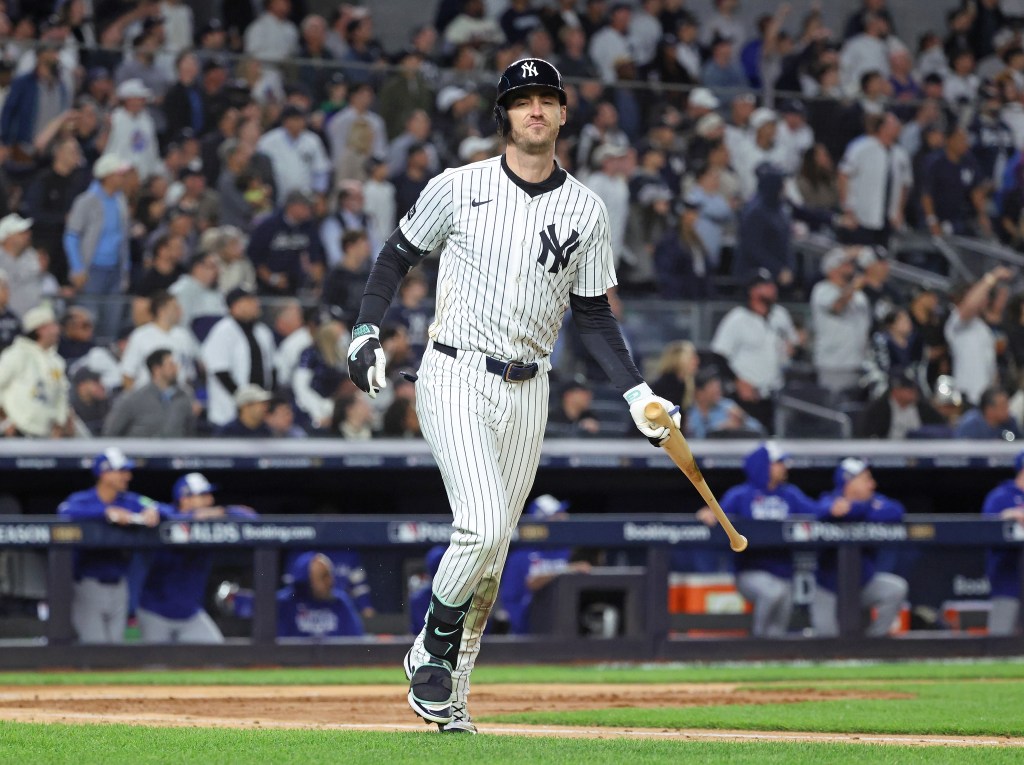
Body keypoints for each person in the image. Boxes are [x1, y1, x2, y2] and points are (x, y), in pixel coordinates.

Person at [347, 57, 680, 734]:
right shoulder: (458, 186)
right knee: (484, 524)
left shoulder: (586, 206)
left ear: (563, 114)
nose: (534, 109)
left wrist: (636, 391)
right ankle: (429, 648)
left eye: (545, 99)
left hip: (531, 386)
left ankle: (450, 699)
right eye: (521, 98)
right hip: (455, 369)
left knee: (491, 559)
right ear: (505, 113)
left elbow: (593, 315)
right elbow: (396, 254)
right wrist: (363, 329)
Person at [696, 443, 817, 637]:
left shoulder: (790, 494)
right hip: (750, 572)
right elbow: (719, 514)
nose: (784, 467)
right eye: (778, 463)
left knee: (780, 619)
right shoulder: (741, 494)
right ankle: (757, 642)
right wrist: (709, 513)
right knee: (772, 593)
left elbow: (817, 513)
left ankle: (771, 656)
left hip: (784, 572)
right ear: (764, 465)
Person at [57, 448, 171, 643]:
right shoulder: (83, 500)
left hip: (120, 585)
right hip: (88, 584)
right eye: (121, 471)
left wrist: (153, 512)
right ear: (104, 474)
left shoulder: (130, 500)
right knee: (95, 648)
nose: (128, 476)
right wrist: (106, 512)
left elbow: (162, 508)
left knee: (116, 649)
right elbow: (64, 510)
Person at [138, 473, 256, 643]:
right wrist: (192, 518)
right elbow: (157, 510)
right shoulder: (165, 513)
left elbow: (251, 518)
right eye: (202, 495)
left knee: (217, 657)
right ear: (185, 499)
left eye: (208, 495)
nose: (209, 500)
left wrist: (220, 512)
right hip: (156, 612)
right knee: (155, 668)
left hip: (190, 614)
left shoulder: (211, 519)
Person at [812, 458, 909, 638]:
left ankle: (873, 643)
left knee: (896, 588)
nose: (872, 484)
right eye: (866, 479)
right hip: (828, 588)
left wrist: (854, 509)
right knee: (826, 642)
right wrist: (835, 512)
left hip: (863, 584)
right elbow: (818, 510)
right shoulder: (829, 501)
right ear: (849, 482)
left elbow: (896, 511)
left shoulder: (874, 501)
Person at [710, 270, 798, 431]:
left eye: (772, 285)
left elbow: (793, 347)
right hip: (746, 396)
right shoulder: (737, 318)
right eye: (767, 286)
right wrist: (738, 381)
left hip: (775, 393)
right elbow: (719, 355)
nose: (773, 289)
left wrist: (793, 349)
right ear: (753, 291)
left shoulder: (780, 315)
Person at [499, 494, 591, 635]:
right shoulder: (520, 556)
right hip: (526, 629)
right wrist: (566, 569)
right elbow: (526, 587)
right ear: (541, 520)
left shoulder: (566, 550)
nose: (564, 517)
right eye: (557, 515)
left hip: (561, 627)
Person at [64, 154, 132, 341]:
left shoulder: (120, 201)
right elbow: (71, 235)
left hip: (115, 270)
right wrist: (77, 268)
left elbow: (123, 239)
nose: (124, 178)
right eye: (120, 174)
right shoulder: (87, 200)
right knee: (88, 320)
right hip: (91, 270)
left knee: (112, 322)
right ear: (108, 176)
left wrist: (125, 269)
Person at [201, 288, 276, 428]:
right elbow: (220, 372)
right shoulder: (222, 331)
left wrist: (264, 403)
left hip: (259, 414)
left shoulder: (263, 332)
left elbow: (272, 370)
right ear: (235, 306)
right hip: (227, 412)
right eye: (250, 301)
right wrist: (245, 402)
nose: (256, 304)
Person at [0, 306, 73, 438]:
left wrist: (60, 422)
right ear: (41, 329)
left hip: (46, 434)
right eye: (53, 325)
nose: (58, 330)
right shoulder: (16, 354)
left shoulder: (56, 361)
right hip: (17, 432)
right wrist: (4, 422)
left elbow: (61, 395)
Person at [810, 247, 873, 396]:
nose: (850, 267)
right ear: (831, 269)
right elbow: (837, 307)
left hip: (859, 363)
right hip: (833, 365)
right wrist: (852, 289)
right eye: (844, 264)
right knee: (833, 409)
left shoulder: (859, 295)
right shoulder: (822, 290)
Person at [103, 348, 196, 437]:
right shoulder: (133, 399)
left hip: (176, 452)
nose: (176, 368)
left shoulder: (184, 398)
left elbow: (189, 432)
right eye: (171, 365)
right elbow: (111, 433)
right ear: (157, 369)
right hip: (139, 452)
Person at [981, 451, 1024, 636]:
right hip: (1008, 575)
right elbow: (983, 530)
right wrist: (1005, 517)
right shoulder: (1001, 496)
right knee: (1000, 639)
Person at [276, 552, 365, 638]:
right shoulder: (285, 603)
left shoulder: (340, 602)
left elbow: (357, 640)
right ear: (307, 581)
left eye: (330, 575)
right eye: (324, 576)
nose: (331, 582)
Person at [857, 370, 947, 439]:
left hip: (918, 453)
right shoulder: (878, 409)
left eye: (913, 388)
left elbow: (941, 427)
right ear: (895, 390)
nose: (913, 392)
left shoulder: (923, 408)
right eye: (908, 389)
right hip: (886, 454)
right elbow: (866, 435)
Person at [685, 366, 765, 439]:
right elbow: (697, 440)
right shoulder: (690, 413)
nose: (718, 390)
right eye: (712, 387)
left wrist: (743, 420)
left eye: (718, 386)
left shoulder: (727, 406)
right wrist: (722, 429)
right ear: (700, 393)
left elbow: (759, 429)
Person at [954, 386, 1022, 440]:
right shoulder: (970, 425)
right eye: (1003, 406)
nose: (1007, 409)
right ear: (989, 409)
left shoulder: (1010, 422)